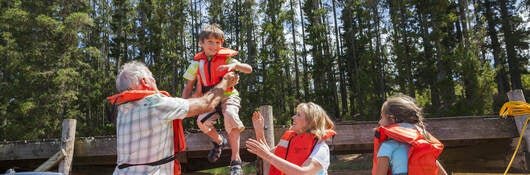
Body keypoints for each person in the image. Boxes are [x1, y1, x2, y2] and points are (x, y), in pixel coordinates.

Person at [107, 61, 238, 175]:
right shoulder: (155, 103)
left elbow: (181, 106)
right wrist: (225, 82)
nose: (155, 81)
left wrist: (196, 95)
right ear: (144, 82)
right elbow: (207, 104)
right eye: (152, 78)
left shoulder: (122, 110)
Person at [181, 24, 253, 175]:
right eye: (210, 42)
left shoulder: (227, 59)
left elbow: (249, 69)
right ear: (201, 43)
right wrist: (181, 105)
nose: (214, 46)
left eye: (218, 43)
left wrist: (237, 65)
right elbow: (188, 88)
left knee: (230, 115)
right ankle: (220, 141)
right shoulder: (196, 64)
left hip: (228, 96)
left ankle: (236, 160)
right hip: (211, 99)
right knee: (201, 122)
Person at [246, 102, 336, 175]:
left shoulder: (321, 148)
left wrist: (267, 155)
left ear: (311, 123)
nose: (293, 117)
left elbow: (304, 173)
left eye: (298, 115)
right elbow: (267, 154)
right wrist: (259, 131)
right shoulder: (290, 141)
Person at [373, 94, 448, 175]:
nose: (379, 122)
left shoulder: (387, 147)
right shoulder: (423, 147)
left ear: (391, 120)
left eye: (381, 117)